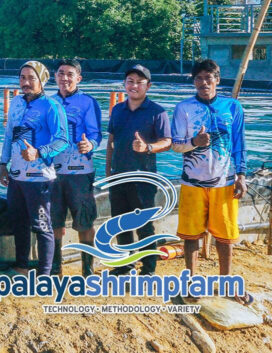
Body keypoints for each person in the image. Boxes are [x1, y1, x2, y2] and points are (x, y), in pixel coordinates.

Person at [171, 59, 251, 304]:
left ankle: (226, 283)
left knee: (226, 236)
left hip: (225, 182)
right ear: (193, 81)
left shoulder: (233, 107)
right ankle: (191, 283)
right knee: (190, 236)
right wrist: (195, 142)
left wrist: (241, 175)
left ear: (217, 79)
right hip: (193, 183)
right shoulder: (183, 108)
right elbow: (175, 145)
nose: (204, 83)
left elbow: (239, 143)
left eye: (209, 78)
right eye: (199, 78)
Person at [0, 61, 68, 276]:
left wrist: (39, 152)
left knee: (41, 225)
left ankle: (44, 273)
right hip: (16, 176)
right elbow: (9, 136)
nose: (26, 82)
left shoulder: (52, 106)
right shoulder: (16, 102)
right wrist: (3, 165)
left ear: (42, 80)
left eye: (31, 78)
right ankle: (21, 266)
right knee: (18, 223)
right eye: (22, 78)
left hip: (40, 177)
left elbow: (62, 140)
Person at [105, 64, 171, 276]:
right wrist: (108, 171)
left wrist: (148, 148)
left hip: (143, 178)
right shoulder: (117, 110)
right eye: (130, 81)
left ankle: (148, 269)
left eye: (139, 82)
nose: (134, 85)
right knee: (120, 223)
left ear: (148, 86)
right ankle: (124, 265)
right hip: (119, 175)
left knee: (144, 226)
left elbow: (168, 142)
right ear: (124, 84)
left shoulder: (157, 112)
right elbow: (111, 141)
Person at [50, 59, 101, 277]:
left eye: (70, 74)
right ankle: (55, 268)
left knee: (85, 222)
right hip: (51, 172)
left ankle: (88, 269)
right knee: (54, 222)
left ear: (78, 78)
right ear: (55, 77)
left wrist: (90, 144)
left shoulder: (88, 102)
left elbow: (96, 133)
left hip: (80, 172)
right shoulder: (47, 102)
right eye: (61, 73)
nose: (65, 78)